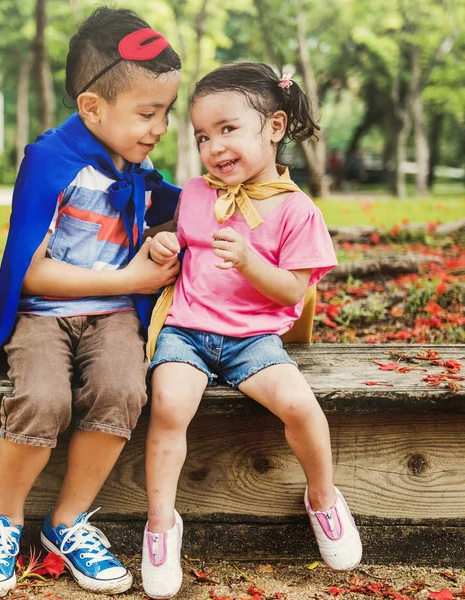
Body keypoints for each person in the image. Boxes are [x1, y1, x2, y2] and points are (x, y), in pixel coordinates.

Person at [0, 8, 181, 598]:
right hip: (44, 316)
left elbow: (160, 207)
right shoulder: (51, 161)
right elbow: (30, 272)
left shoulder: (134, 160)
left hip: (110, 319)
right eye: (147, 113)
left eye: (166, 113)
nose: (159, 127)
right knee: (44, 396)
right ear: (92, 107)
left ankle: (67, 522)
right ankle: (3, 522)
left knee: (123, 390)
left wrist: (167, 238)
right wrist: (128, 277)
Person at [141, 63, 362, 599]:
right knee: (169, 405)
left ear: (276, 127)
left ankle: (324, 497)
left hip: (253, 340)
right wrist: (160, 245)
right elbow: (171, 235)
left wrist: (247, 262)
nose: (214, 146)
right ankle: (160, 525)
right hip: (188, 330)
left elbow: (293, 291)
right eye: (202, 136)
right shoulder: (195, 192)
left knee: (301, 406)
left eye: (228, 128)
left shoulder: (296, 210)